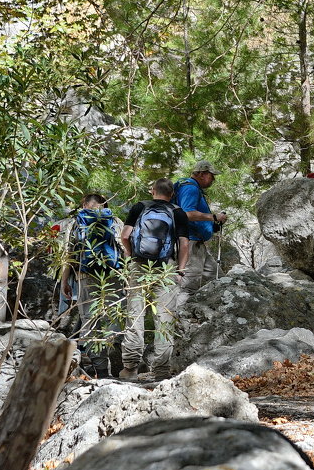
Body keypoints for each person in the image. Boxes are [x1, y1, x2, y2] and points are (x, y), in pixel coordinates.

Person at [120, 178, 189, 380]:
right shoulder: (178, 212)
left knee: (135, 315)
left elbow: (125, 235)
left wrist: (132, 255)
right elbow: (184, 244)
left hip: (139, 265)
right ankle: (161, 371)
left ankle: (130, 368)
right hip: (166, 267)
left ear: (153, 191)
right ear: (172, 194)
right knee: (164, 318)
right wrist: (180, 270)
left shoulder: (139, 207)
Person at [59, 193, 123, 377]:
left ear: (84, 204)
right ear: (105, 205)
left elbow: (68, 254)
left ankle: (101, 370)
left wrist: (65, 281)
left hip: (85, 276)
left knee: (90, 320)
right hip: (113, 275)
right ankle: (115, 352)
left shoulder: (76, 222)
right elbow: (124, 248)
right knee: (113, 317)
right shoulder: (115, 221)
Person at [173, 160, 228, 301]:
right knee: (189, 287)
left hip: (197, 244)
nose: (213, 179)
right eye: (211, 175)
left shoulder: (190, 187)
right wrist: (213, 217)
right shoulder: (190, 188)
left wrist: (212, 225)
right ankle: (181, 319)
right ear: (202, 174)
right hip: (190, 244)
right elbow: (187, 213)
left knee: (220, 280)